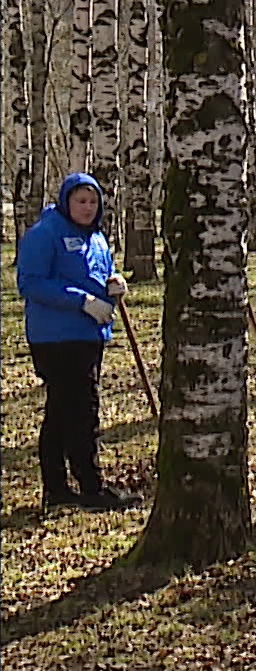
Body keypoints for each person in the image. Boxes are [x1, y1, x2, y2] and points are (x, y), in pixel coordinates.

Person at [17, 172, 138, 511]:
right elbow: (31, 282)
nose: (87, 207)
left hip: (88, 334)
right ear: (65, 201)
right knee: (82, 410)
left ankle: (56, 489)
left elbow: (99, 273)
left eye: (93, 201)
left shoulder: (96, 237)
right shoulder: (45, 234)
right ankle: (91, 486)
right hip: (56, 336)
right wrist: (81, 300)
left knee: (61, 411)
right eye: (80, 201)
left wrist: (113, 283)